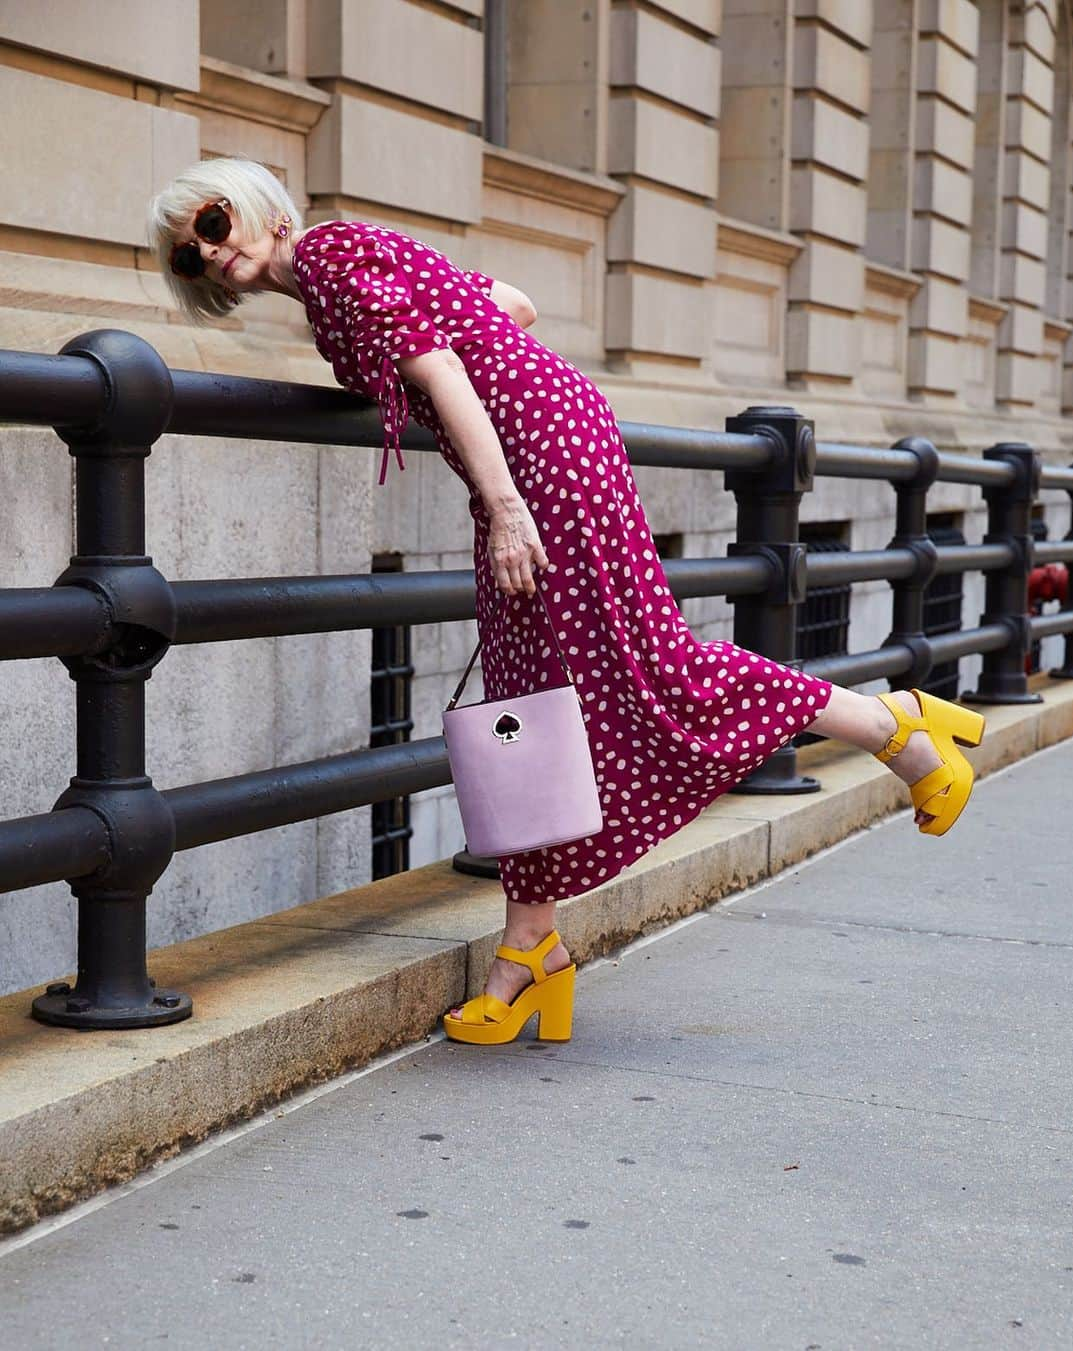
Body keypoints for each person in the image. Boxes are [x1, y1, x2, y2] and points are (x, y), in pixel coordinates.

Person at [148, 158, 986, 1046]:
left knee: (644, 663)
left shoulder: (325, 263)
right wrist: (482, 414)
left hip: (537, 471)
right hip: (545, 445)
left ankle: (892, 728)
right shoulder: (346, 259)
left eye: (210, 221)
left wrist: (506, 503)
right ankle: (532, 950)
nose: (208, 249)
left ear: (256, 203)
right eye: (188, 256)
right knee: (532, 706)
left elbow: (443, 374)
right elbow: (512, 305)